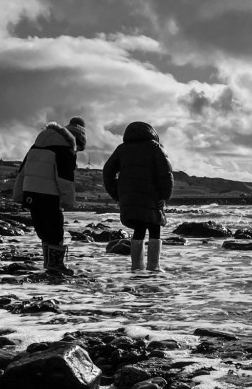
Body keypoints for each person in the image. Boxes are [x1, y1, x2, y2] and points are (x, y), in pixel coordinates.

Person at [12, 116, 87, 275]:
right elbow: (64, 179)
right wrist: (68, 201)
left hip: (30, 192)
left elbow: (22, 171)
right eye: (78, 148)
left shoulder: (37, 144)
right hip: (49, 194)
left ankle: (48, 265)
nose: (76, 151)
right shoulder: (65, 149)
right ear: (76, 140)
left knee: (43, 230)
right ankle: (55, 266)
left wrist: (18, 195)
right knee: (55, 230)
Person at [102, 121, 173, 272]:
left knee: (139, 229)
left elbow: (107, 172)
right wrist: (165, 196)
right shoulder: (155, 147)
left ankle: (136, 268)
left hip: (129, 199)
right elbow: (166, 174)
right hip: (152, 197)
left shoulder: (121, 149)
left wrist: (117, 195)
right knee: (155, 229)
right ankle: (154, 267)